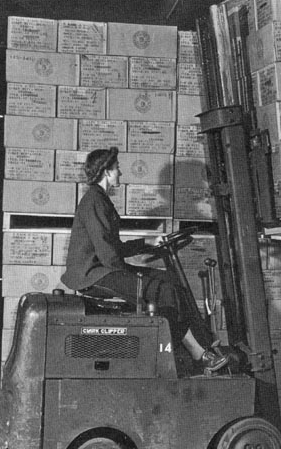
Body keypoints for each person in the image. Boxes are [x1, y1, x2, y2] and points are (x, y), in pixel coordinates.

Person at [61, 146, 228, 374]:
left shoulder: (99, 200)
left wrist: (146, 243)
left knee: (167, 279)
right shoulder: (94, 201)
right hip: (93, 273)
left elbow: (113, 247)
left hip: (102, 268)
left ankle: (203, 343)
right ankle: (199, 353)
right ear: (107, 172)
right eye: (117, 169)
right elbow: (107, 251)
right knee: (163, 291)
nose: (120, 173)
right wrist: (129, 274)